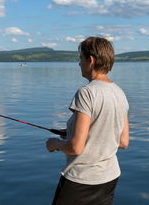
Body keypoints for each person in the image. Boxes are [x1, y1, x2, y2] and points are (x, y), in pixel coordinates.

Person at [46, 36, 130, 205]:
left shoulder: (86, 93)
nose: (79, 63)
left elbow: (75, 147)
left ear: (90, 60)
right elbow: (123, 142)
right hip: (109, 178)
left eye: (80, 58)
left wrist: (54, 143)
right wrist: (71, 132)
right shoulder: (119, 93)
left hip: (81, 181)